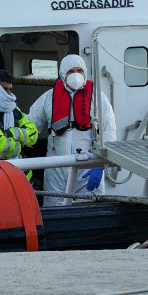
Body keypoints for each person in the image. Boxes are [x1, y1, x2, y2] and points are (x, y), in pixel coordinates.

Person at [29, 55, 117, 206]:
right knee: (55, 209)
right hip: (56, 168)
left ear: (85, 72)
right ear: (62, 74)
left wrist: (101, 164)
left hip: (88, 167)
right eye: (71, 71)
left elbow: (109, 131)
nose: (76, 75)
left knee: (91, 209)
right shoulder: (48, 98)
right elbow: (31, 124)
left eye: (79, 71)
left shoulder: (98, 98)